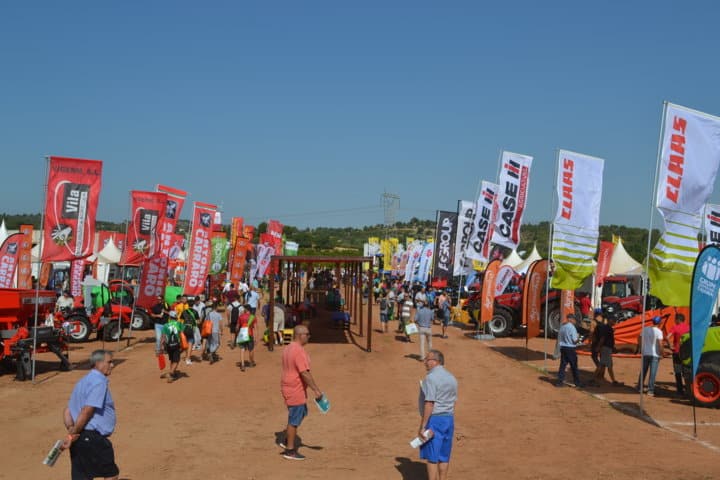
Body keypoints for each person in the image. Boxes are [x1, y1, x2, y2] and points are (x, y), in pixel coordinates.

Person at [61, 349, 119, 480]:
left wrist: (71, 430)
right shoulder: (99, 382)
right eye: (109, 362)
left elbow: (68, 410)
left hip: (79, 438)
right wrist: (72, 434)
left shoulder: (81, 382)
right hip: (92, 438)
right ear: (98, 363)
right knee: (111, 474)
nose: (112, 365)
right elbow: (87, 410)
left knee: (82, 476)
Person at [279, 325, 324, 461]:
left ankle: (288, 439)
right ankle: (290, 450)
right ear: (300, 335)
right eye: (307, 334)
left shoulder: (288, 348)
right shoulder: (298, 351)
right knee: (295, 418)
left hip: (288, 385)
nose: (309, 336)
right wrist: (316, 390)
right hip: (295, 388)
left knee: (301, 412)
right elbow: (304, 373)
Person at [418, 349, 458, 480]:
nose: (425, 362)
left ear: (435, 361)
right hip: (449, 419)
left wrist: (423, 426)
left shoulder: (431, 378)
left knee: (432, 456)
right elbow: (454, 401)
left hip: (435, 421)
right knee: (444, 455)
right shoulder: (452, 378)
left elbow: (429, 403)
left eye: (427, 360)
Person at [555, 314, 584, 388]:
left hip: (563, 347)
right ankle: (577, 382)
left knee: (562, 365)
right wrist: (580, 339)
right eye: (574, 319)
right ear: (570, 319)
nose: (575, 321)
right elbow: (574, 341)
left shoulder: (562, 326)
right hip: (570, 348)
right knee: (574, 366)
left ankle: (559, 382)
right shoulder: (572, 328)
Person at [638, 316, 664, 396]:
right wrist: (662, 353)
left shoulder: (645, 329)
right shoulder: (659, 331)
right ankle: (650, 390)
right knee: (653, 373)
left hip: (645, 353)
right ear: (659, 322)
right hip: (655, 354)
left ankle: (639, 387)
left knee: (643, 371)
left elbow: (639, 338)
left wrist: (641, 348)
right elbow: (660, 344)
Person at [594, 314, 622, 385]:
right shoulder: (608, 328)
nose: (615, 323)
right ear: (610, 320)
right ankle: (613, 381)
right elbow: (603, 339)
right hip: (606, 349)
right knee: (608, 365)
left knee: (602, 364)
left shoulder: (607, 328)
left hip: (606, 348)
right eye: (614, 321)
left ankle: (593, 379)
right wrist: (599, 347)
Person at [666, 313, 689, 395]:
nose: (674, 321)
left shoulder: (675, 327)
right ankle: (688, 389)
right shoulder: (688, 328)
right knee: (687, 370)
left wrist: (670, 346)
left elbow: (667, 337)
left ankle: (680, 390)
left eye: (675, 319)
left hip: (676, 352)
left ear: (678, 320)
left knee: (678, 371)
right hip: (687, 353)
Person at [162, 312, 184, 382]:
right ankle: (170, 374)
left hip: (169, 346)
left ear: (170, 317)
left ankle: (172, 372)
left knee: (172, 359)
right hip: (176, 345)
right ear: (176, 317)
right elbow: (182, 334)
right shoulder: (179, 324)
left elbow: (163, 337)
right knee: (176, 360)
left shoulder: (166, 325)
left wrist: (162, 346)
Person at [236, 306, 256, 371]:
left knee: (242, 349)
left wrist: (238, 333)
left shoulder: (240, 316)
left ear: (246, 310)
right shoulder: (253, 317)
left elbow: (237, 327)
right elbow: (255, 328)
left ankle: (242, 365)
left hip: (242, 334)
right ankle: (251, 363)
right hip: (250, 334)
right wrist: (255, 337)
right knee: (251, 349)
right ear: (249, 310)